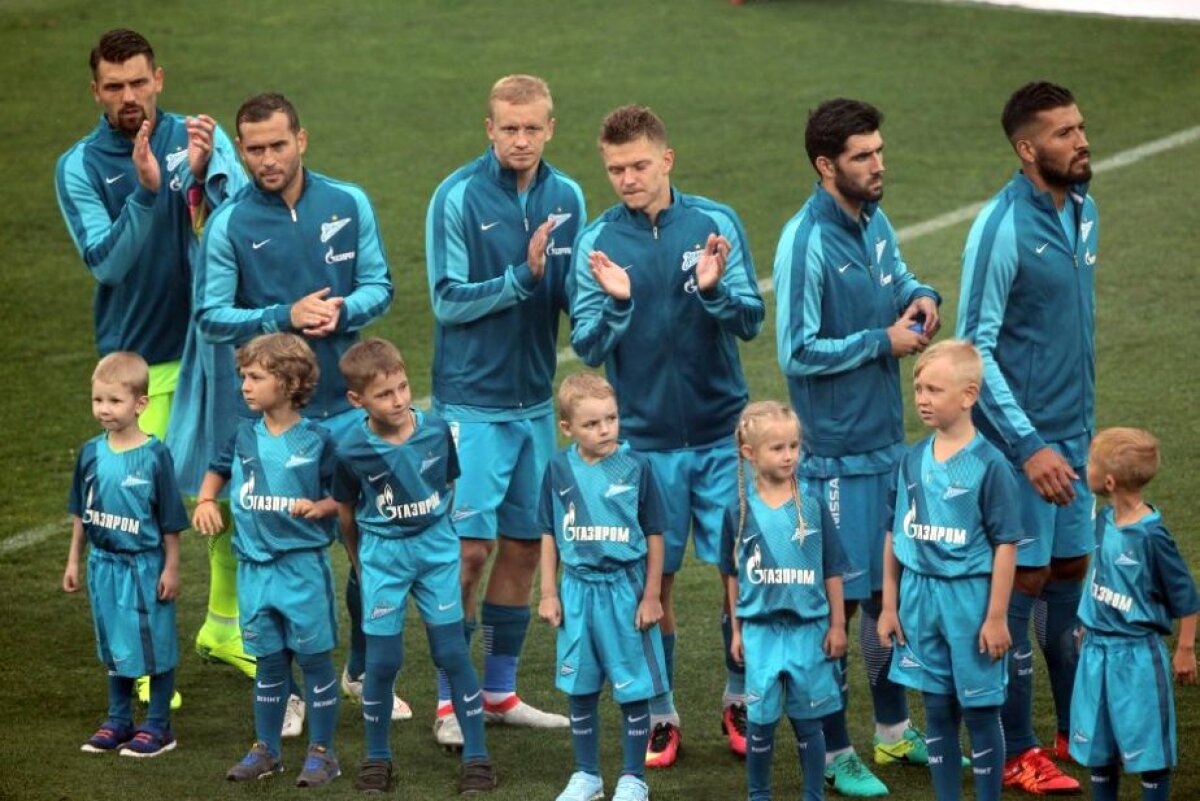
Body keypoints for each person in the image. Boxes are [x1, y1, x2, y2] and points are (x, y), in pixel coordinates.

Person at [195, 92, 402, 722]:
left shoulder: (348, 201)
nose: (266, 159)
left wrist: (344, 309)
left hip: (347, 410)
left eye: (277, 145)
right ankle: (282, 692)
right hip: (276, 423)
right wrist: (281, 316)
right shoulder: (230, 222)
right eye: (253, 149)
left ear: (301, 139)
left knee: (369, 545)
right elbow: (210, 315)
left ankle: (365, 671)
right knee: (276, 553)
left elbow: (380, 285)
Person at [571, 103, 764, 768]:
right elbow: (588, 341)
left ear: (667, 159)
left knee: (741, 569)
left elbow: (750, 319)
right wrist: (619, 303)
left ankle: (739, 695)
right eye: (615, 169)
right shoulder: (598, 242)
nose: (626, 178)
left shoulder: (714, 222)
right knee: (656, 582)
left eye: (638, 166)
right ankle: (660, 710)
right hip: (645, 448)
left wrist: (713, 290)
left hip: (720, 436)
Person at [55, 26, 246, 694]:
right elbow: (106, 261)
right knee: (135, 518)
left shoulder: (197, 136)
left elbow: (244, 222)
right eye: (115, 87)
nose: (129, 96)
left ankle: (224, 626)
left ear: (158, 77)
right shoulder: (78, 166)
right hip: (140, 364)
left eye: (139, 82)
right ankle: (138, 653)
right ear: (96, 91)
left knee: (230, 498)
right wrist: (145, 191)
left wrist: (200, 180)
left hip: (211, 354)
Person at [772, 97, 941, 796]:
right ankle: (837, 750)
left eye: (879, 150)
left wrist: (922, 295)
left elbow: (896, 280)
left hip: (884, 445)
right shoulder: (805, 241)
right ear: (825, 165)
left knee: (886, 597)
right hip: (834, 456)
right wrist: (883, 341)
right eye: (863, 156)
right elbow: (796, 349)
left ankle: (894, 733)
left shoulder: (874, 219)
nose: (878, 164)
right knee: (837, 608)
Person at [425, 74, 584, 745]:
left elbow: (575, 290)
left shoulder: (568, 195)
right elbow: (447, 300)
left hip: (534, 404)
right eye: (508, 128)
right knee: (468, 551)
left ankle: (497, 690)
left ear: (550, 127)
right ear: (488, 128)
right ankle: (447, 700)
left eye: (532, 128)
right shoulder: (456, 196)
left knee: (524, 543)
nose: (521, 139)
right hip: (470, 403)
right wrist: (523, 277)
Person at [956, 81, 1097, 795]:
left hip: (1076, 436)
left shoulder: (1083, 209)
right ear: (1027, 147)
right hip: (1023, 448)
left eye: (1080, 127)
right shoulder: (1000, 227)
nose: (1081, 140)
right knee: (1022, 584)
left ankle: (1079, 725)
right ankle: (1016, 748)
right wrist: (1028, 445)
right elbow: (973, 348)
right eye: (1064, 132)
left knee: (1072, 572)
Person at [331, 338, 496, 794]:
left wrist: (437, 537)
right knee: (383, 662)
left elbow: (448, 484)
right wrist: (361, 564)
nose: (399, 400)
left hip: (435, 553)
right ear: (356, 400)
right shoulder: (350, 451)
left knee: (452, 653)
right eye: (385, 394)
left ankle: (478, 757)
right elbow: (346, 514)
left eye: (403, 387)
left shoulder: (436, 431)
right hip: (382, 559)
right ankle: (377, 757)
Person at [191, 334, 342, 787]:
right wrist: (205, 500)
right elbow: (218, 468)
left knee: (315, 663)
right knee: (270, 663)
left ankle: (323, 752)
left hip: (301, 569)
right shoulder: (242, 435)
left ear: (290, 381)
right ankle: (267, 750)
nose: (245, 386)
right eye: (243, 377)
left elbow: (343, 495)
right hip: (254, 571)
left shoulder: (318, 439)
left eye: (255, 377)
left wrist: (322, 508)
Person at [876, 341, 1020, 801]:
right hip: (919, 600)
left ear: (969, 395)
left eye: (934, 389)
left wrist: (997, 616)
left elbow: (1005, 546)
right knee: (936, 707)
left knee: (979, 712)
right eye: (918, 387)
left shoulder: (990, 465)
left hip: (969, 602)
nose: (922, 398)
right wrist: (888, 605)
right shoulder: (910, 460)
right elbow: (892, 535)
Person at [537, 373, 668, 801]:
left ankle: (633, 778)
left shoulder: (637, 466)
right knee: (581, 688)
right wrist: (549, 592)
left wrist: (651, 596)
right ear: (568, 428)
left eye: (611, 419)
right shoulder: (558, 467)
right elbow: (549, 533)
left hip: (625, 589)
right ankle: (586, 776)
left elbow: (654, 534)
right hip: (576, 591)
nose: (606, 429)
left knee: (633, 688)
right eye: (592, 424)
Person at [720, 401, 848, 801]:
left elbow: (832, 569)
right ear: (749, 453)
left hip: (809, 632)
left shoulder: (812, 505)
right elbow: (732, 575)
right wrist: (737, 629)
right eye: (777, 448)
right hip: (760, 634)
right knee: (760, 725)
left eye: (794, 445)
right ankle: (759, 795)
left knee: (810, 726)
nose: (789, 455)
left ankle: (814, 795)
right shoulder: (739, 510)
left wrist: (839, 625)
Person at [63, 352, 188, 757]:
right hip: (103, 565)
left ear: (140, 404)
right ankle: (118, 720)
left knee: (156, 646)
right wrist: (73, 561)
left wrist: (171, 567)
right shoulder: (89, 453)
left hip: (144, 567)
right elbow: (81, 512)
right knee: (114, 644)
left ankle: (157, 725)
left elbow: (170, 519)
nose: (104, 410)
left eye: (114, 401)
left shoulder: (155, 455)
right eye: (98, 400)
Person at [1069, 427, 1198, 801]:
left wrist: (1185, 649)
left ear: (1108, 481)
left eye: (1090, 463)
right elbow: (1101, 574)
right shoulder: (1103, 520)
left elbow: (1186, 597)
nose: (1084, 467)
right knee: (1099, 747)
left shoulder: (1152, 536)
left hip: (1137, 657)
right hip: (1095, 653)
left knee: (1148, 752)